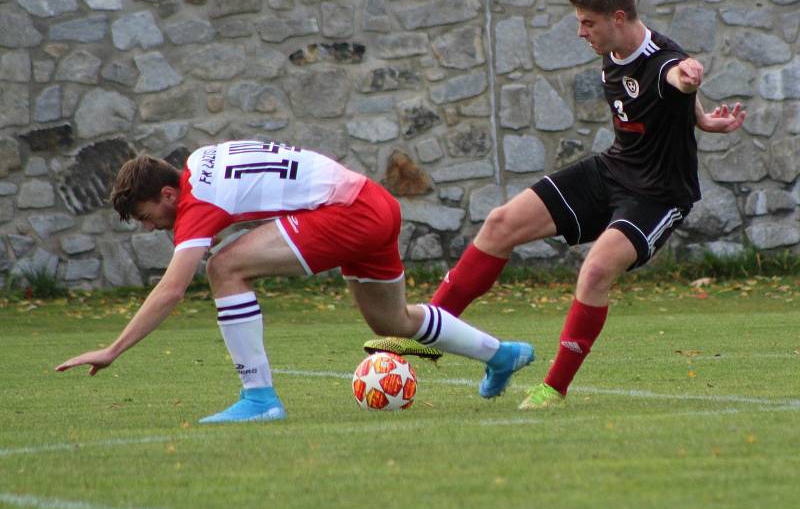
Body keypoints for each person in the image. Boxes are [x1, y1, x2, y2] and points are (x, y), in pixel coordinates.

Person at [365, 0, 746, 409]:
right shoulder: (619, 46)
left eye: (588, 23)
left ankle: (553, 388)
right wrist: (701, 117)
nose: (580, 32)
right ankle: (433, 333)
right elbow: (673, 93)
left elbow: (676, 75)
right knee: (500, 223)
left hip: (658, 195)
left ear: (618, 17)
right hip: (613, 170)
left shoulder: (664, 61)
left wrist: (692, 76)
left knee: (597, 269)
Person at [55, 140, 534, 422]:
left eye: (147, 216)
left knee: (223, 268)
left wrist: (113, 348)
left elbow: (172, 290)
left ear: (166, 193)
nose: (150, 226)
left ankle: (259, 398)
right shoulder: (200, 161)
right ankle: (501, 355)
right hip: (374, 201)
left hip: (346, 212)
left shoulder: (194, 203)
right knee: (394, 320)